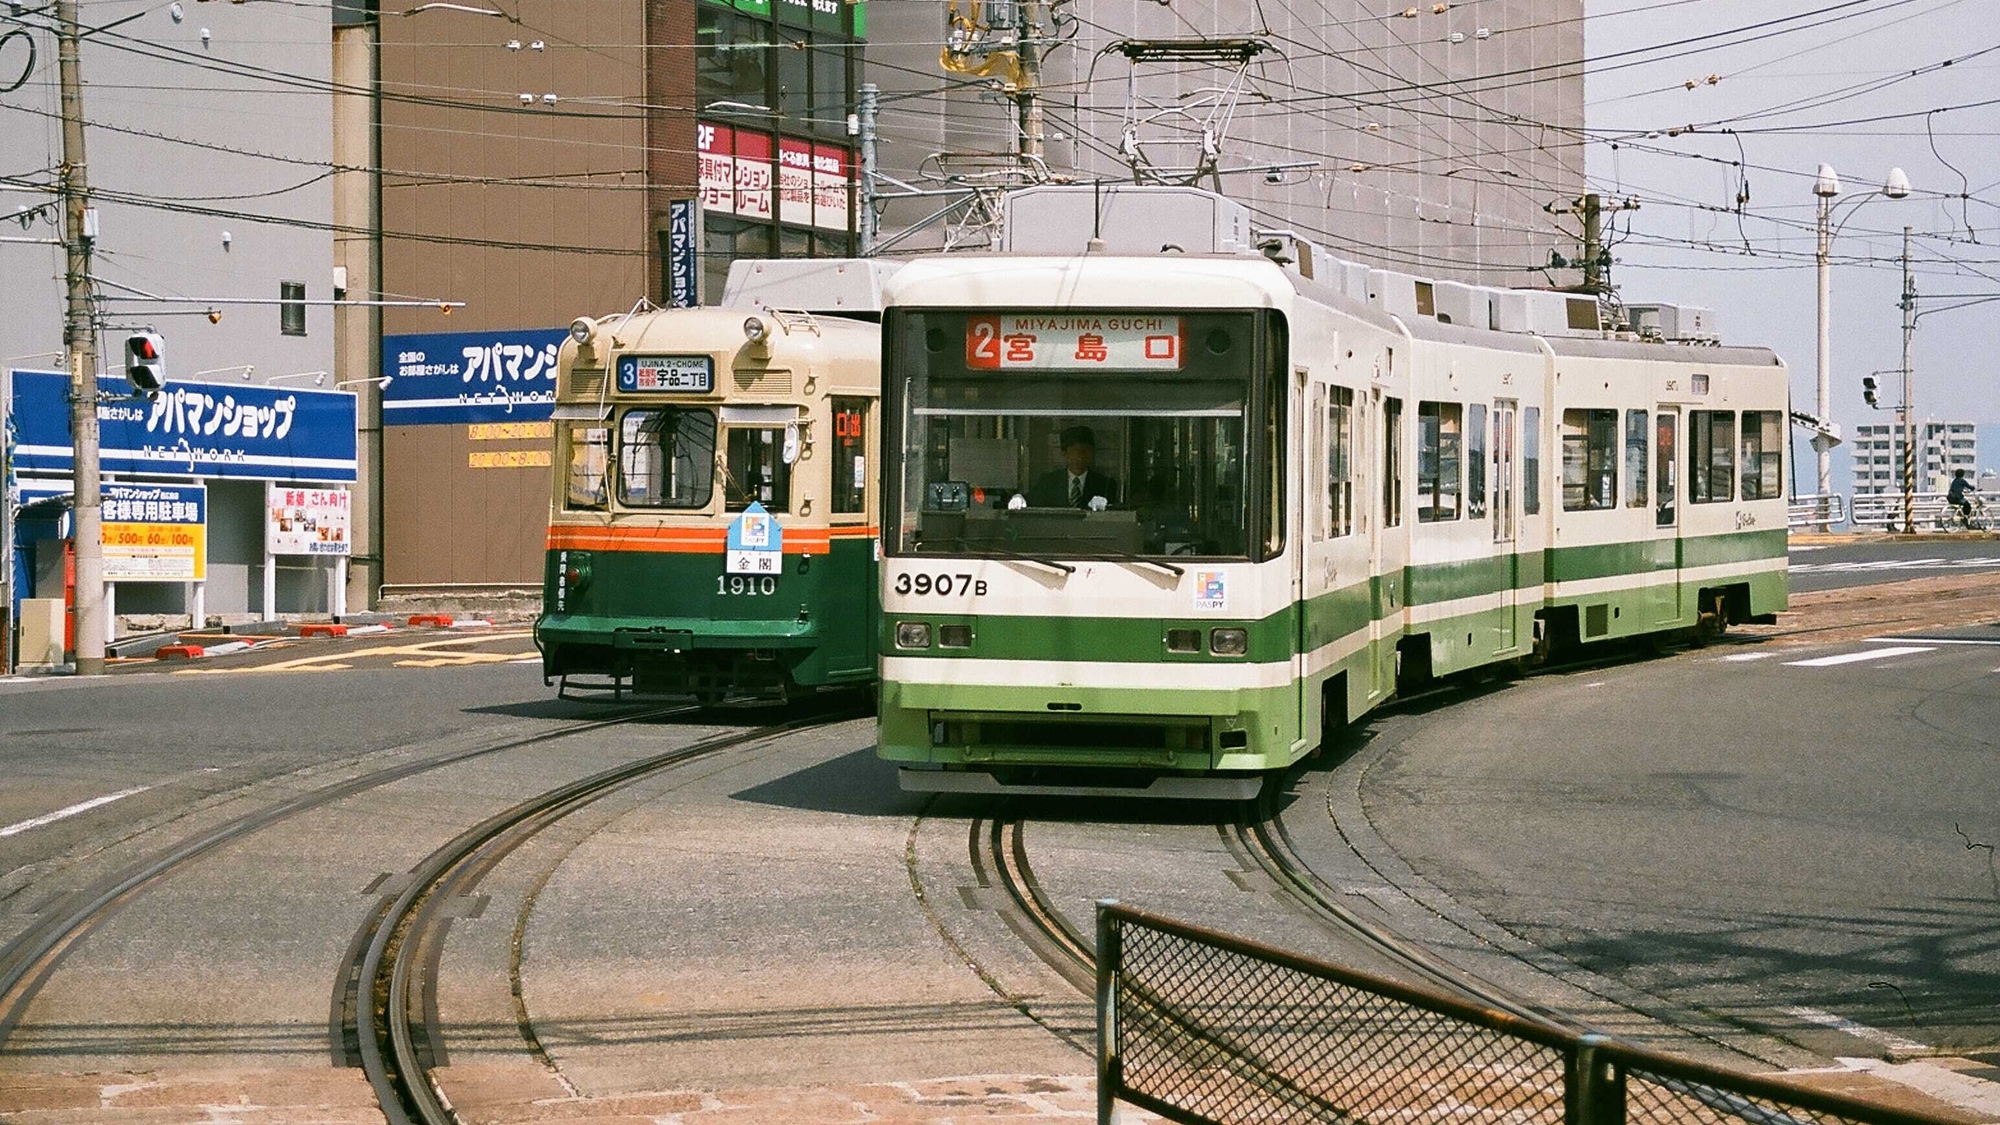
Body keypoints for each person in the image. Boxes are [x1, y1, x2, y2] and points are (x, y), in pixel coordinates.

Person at [1026, 425, 1121, 509]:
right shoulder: (1048, 481)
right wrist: (1018, 498)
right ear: (1065, 454)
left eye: (1086, 450)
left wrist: (1103, 505)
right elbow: (1029, 500)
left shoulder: (1105, 484)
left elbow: (1115, 510)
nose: (1081, 455)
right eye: (1077, 450)